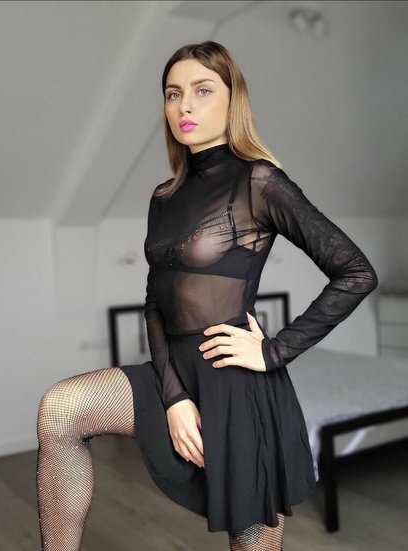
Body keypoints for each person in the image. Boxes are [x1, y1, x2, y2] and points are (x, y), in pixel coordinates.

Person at [36, 41, 378, 550]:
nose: (185, 106)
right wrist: (174, 397)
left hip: (235, 382)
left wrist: (275, 351)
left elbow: (355, 271)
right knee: (59, 410)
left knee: (252, 540)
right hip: (171, 371)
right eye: (173, 93)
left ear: (232, 99)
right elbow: (155, 302)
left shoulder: (259, 181)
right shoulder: (164, 196)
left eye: (202, 90)